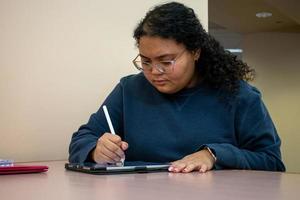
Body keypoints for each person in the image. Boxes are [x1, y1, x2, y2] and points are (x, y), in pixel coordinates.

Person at [68, 2, 285, 173]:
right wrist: (96, 150)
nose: (154, 71)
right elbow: (82, 138)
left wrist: (214, 155)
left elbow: (271, 161)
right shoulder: (129, 89)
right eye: (145, 61)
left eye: (166, 61)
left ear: (195, 52)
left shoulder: (238, 95)